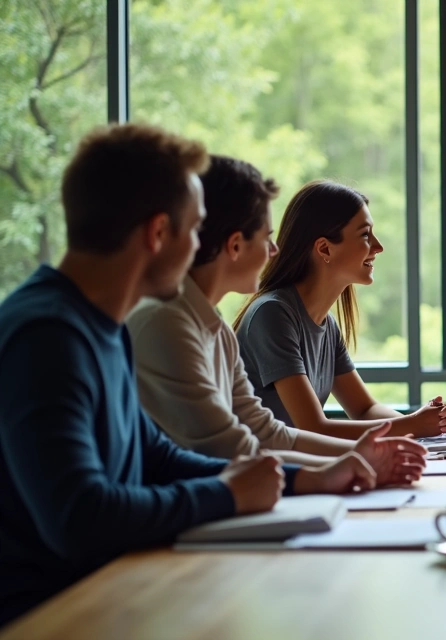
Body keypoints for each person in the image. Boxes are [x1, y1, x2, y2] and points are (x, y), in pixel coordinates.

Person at [0, 125, 388, 625]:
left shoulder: (102, 326)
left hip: (110, 592)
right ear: (159, 234)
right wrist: (228, 493)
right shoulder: (47, 336)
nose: (200, 248)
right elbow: (81, 517)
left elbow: (155, 458)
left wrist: (303, 480)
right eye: (194, 229)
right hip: (52, 615)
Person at [127, 155, 428, 480]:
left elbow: (265, 433)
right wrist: (331, 472)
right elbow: (228, 447)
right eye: (267, 237)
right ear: (235, 245)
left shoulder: (216, 329)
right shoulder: (169, 323)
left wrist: (365, 455)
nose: (274, 251)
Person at [234, 180, 446, 440]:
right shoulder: (272, 314)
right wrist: (413, 425)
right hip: (259, 473)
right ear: (324, 248)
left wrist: (429, 422)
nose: (378, 246)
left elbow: (365, 409)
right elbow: (313, 428)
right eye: (365, 235)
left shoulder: (327, 325)